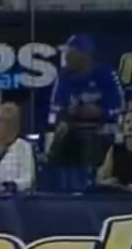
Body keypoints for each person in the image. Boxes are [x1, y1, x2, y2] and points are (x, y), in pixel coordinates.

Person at [47, 35, 125, 170]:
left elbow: (120, 106)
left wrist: (101, 112)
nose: (66, 57)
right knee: (61, 137)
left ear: (84, 55)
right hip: (73, 129)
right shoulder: (63, 77)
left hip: (102, 130)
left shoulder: (106, 74)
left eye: (70, 52)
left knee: (93, 140)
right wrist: (68, 111)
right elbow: (54, 110)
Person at [96, 110, 132, 191]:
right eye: (127, 122)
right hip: (120, 197)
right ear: (122, 127)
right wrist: (110, 182)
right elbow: (100, 180)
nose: (131, 125)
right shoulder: (115, 150)